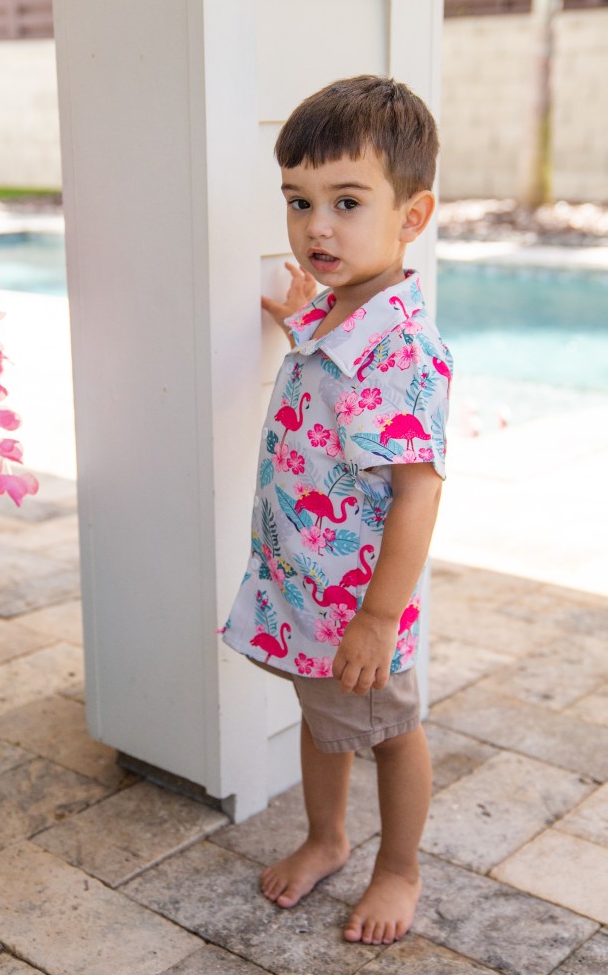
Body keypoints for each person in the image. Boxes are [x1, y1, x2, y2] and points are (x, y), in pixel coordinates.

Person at [219, 75, 452, 946]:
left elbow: (417, 491)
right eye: (299, 201)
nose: (316, 225)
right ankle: (326, 836)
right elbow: (337, 401)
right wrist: (297, 324)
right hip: (309, 590)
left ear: (410, 216)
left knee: (390, 733)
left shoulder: (401, 349)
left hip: (359, 607)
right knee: (324, 720)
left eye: (346, 202)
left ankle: (399, 868)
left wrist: (378, 618)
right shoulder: (340, 314)